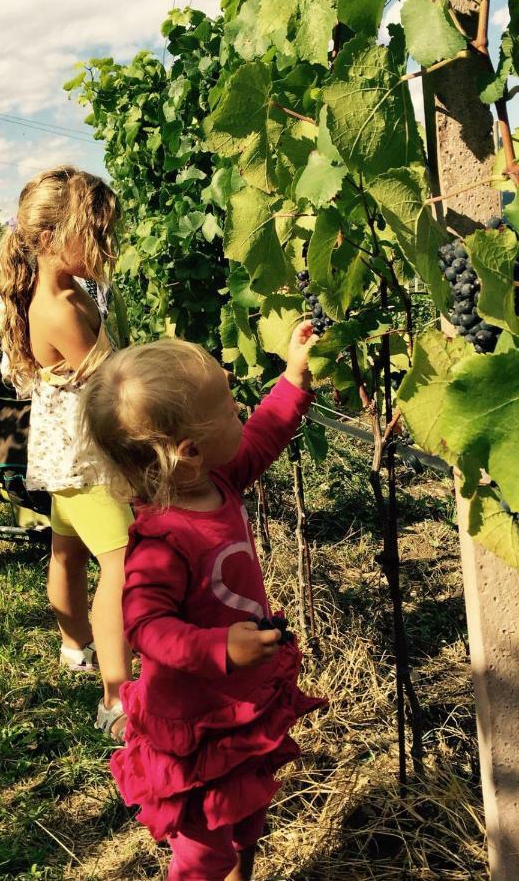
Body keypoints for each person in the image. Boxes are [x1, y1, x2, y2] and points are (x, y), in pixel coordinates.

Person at [81, 325, 327, 880]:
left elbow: (263, 435)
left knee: (244, 823)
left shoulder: (220, 480)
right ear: (188, 452)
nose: (241, 410)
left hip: (237, 704)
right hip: (195, 722)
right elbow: (145, 626)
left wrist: (293, 380)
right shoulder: (161, 541)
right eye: (229, 408)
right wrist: (218, 647)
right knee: (203, 851)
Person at [0, 166, 132, 739]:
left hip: (59, 456)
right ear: (50, 239)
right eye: (94, 230)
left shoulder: (48, 292)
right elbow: (114, 382)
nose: (106, 243)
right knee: (124, 567)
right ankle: (117, 695)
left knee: (66, 554)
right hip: (89, 458)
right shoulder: (66, 309)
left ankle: (74, 646)